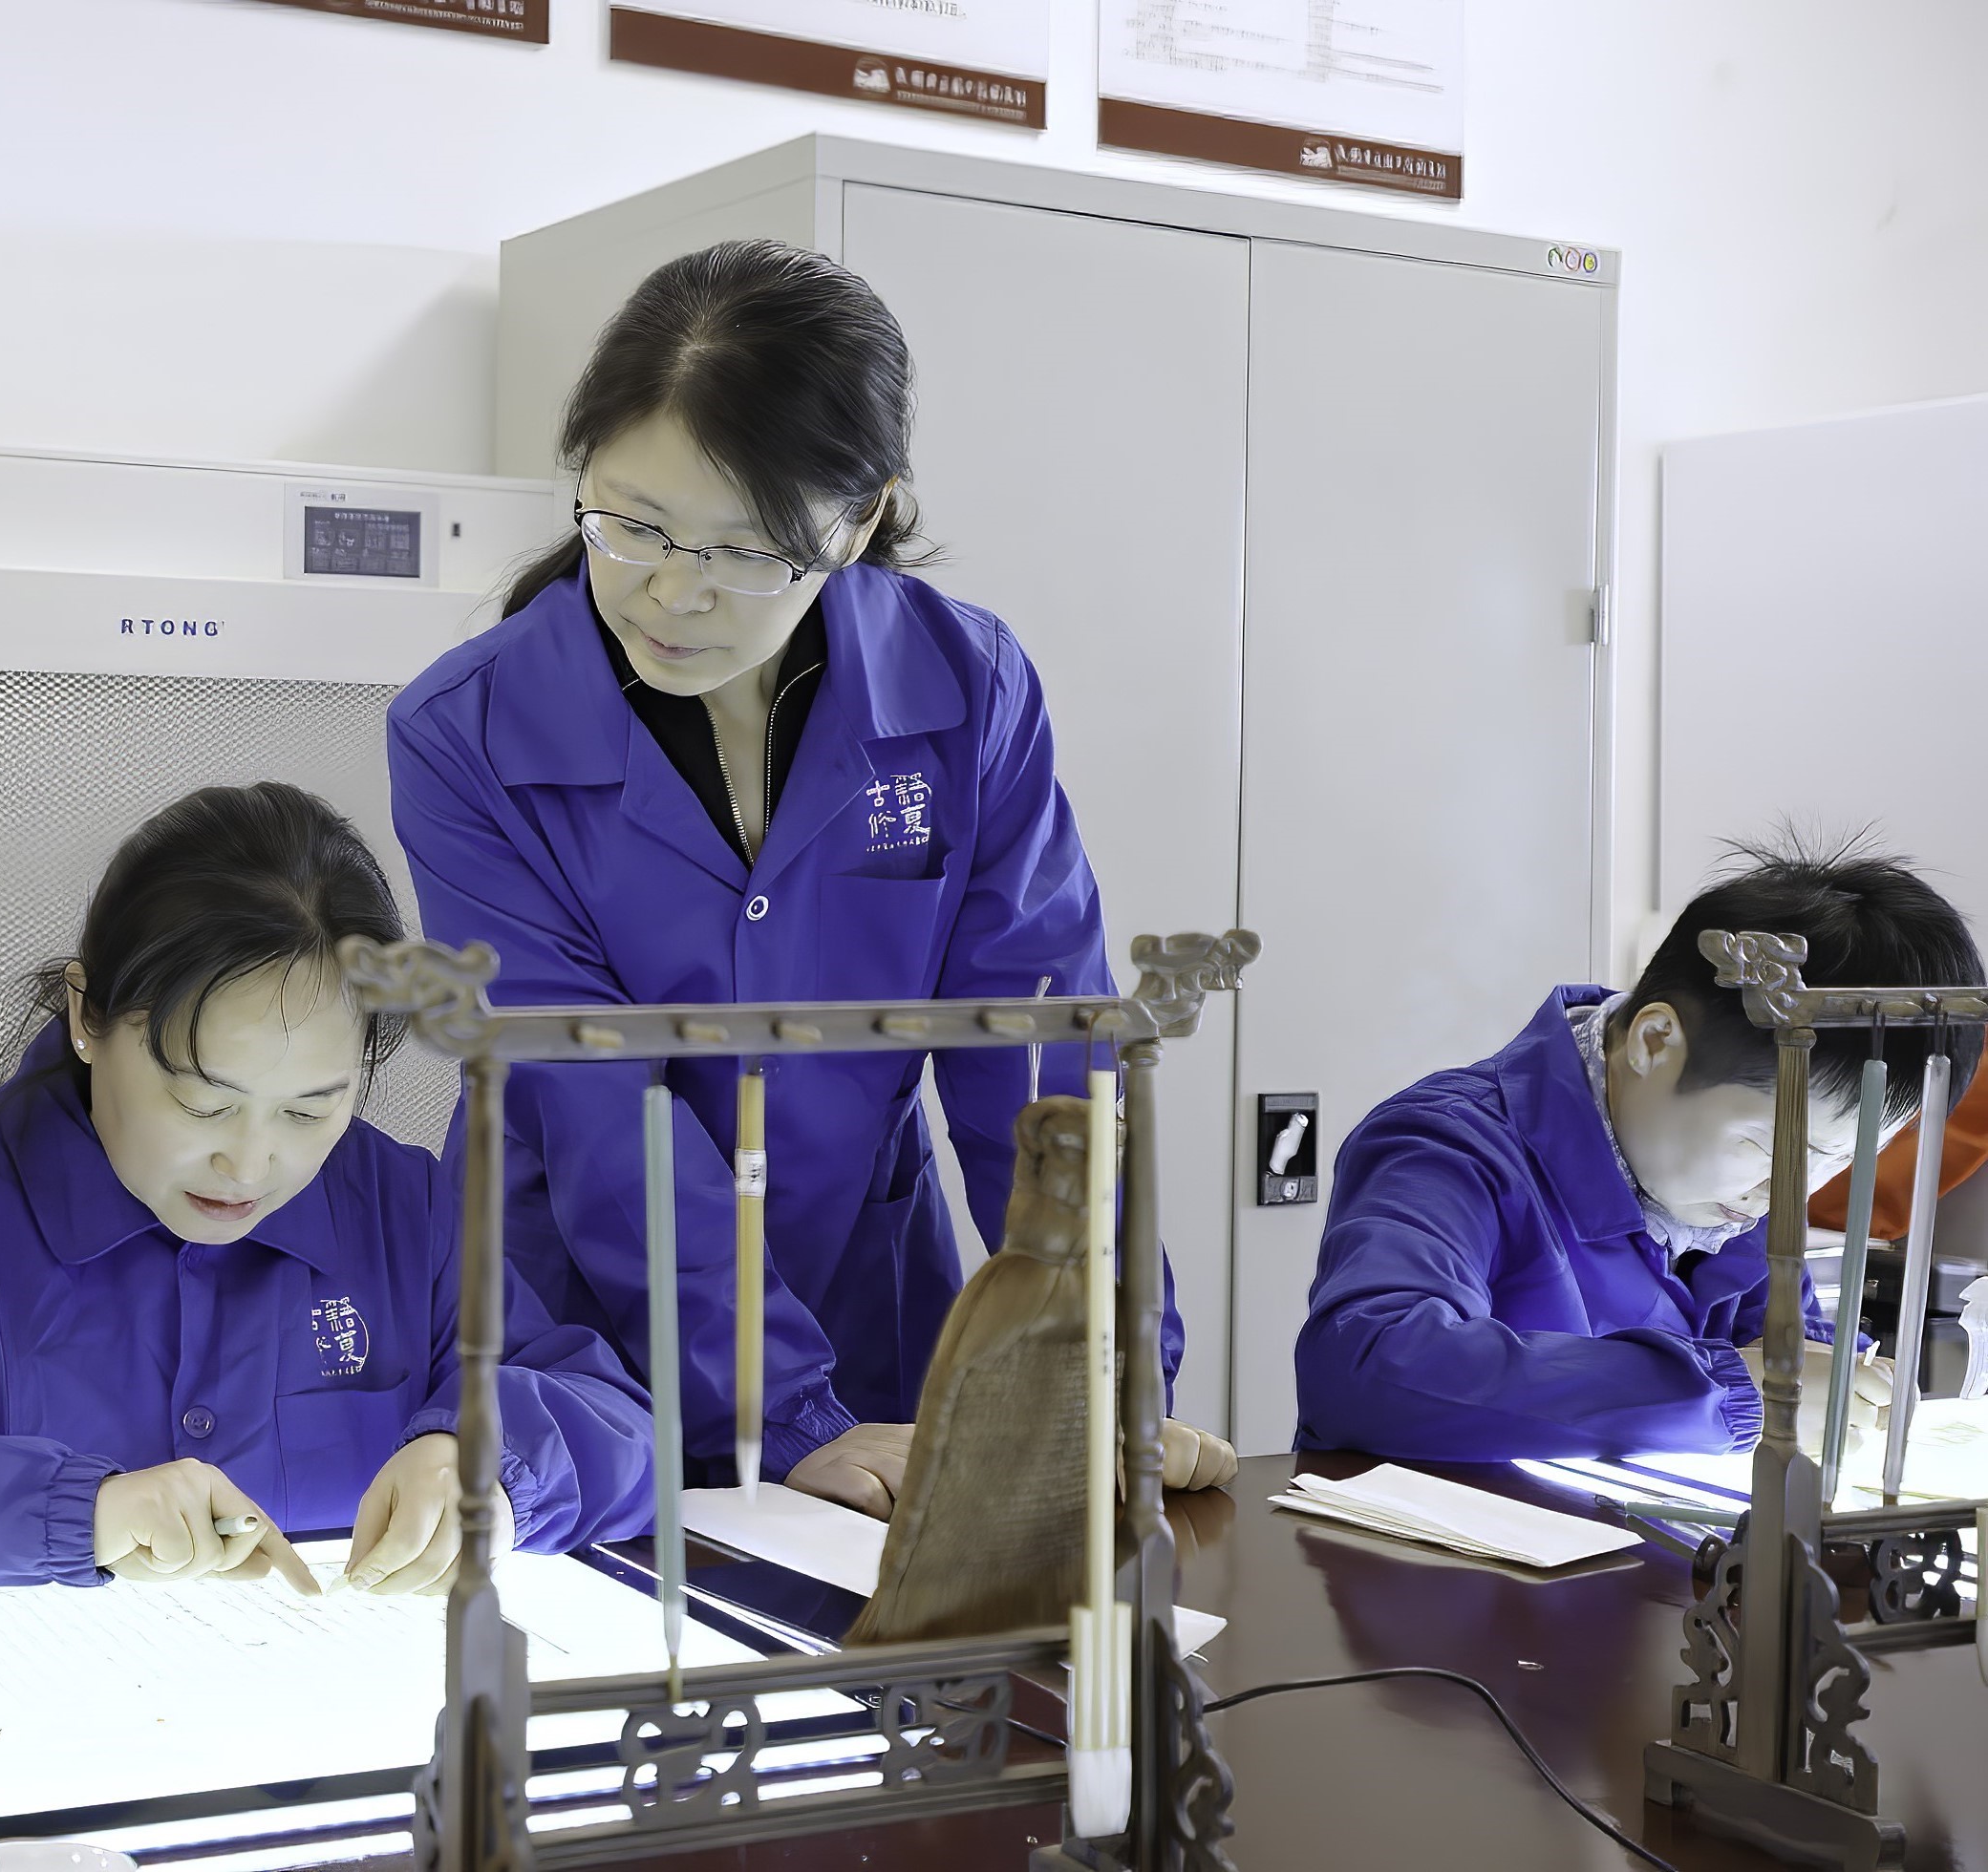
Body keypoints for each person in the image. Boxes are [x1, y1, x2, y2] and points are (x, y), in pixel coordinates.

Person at [386, 240, 1226, 1518]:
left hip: (868, 1311)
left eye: (748, 550)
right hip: (582, 1342)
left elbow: (1046, 1055)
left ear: (863, 518)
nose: (674, 591)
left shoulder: (966, 692)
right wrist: (778, 1411)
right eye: (634, 523)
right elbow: (600, 1101)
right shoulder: (468, 734)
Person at [0, 783, 657, 1593]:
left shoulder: (410, 1214)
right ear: (89, 1015)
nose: (251, 1163)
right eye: (203, 1101)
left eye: (311, 1109)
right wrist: (69, 1513)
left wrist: (488, 1463)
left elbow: (619, 1427)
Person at [1295, 845, 1979, 1459]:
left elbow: (1784, 1354)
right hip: (1434, 1579)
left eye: (1834, 1160)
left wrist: (1848, 1384)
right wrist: (1731, 1392)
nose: (1786, 1193)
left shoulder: (1738, 1188)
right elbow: (1366, 1367)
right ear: (1654, 1042)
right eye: (1768, 1145)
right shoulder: (1449, 1146)